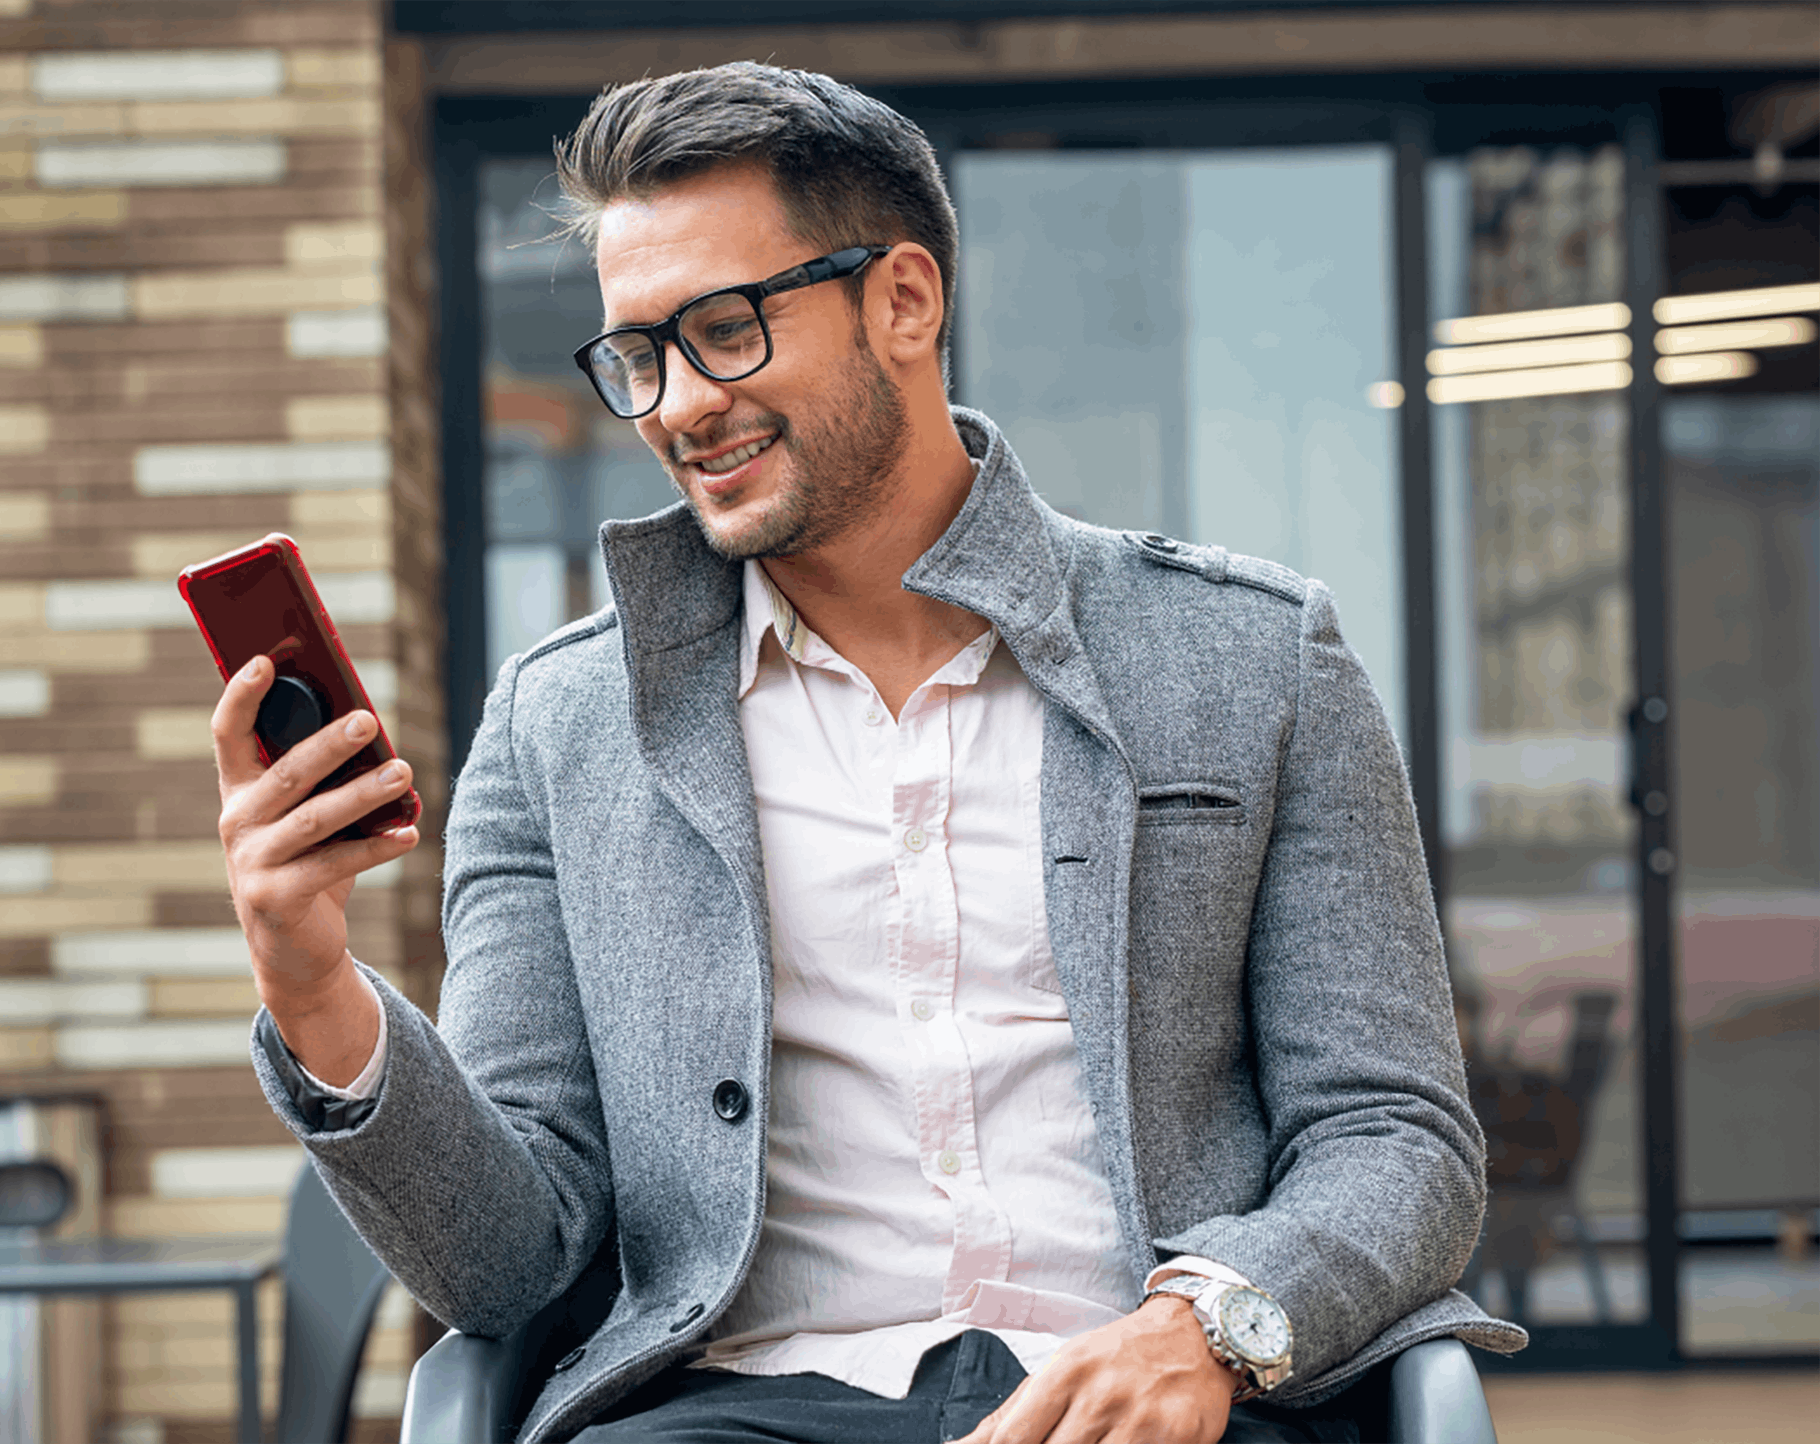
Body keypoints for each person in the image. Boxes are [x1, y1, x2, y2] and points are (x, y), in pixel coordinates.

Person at [214, 61, 1523, 1444]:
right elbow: (505, 1260)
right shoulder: (563, 725)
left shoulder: (1252, 657)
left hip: (1157, 1390)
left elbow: (1397, 1138)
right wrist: (311, 984)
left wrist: (1208, 1324)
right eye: (638, 356)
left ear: (903, 299)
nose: (675, 405)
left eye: (723, 329)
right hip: (738, 1407)